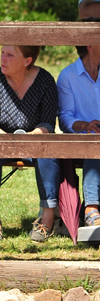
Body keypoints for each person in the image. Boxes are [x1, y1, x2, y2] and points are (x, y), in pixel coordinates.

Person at [0, 46, 59, 242]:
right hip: (1, 139)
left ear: (27, 60)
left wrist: (31, 137)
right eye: (2, 53)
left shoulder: (45, 80)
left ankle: (47, 218)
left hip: (35, 138)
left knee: (47, 149)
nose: (3, 58)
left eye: (10, 55)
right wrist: (8, 140)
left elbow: (48, 123)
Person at [57, 43, 100, 227]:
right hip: (82, 139)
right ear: (90, 45)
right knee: (93, 142)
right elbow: (65, 119)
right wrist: (85, 125)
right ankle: (91, 208)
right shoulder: (68, 76)